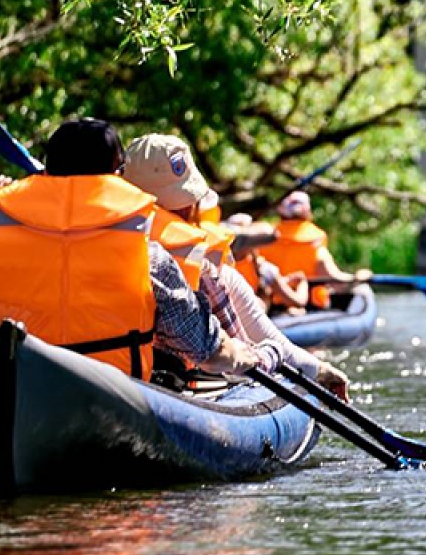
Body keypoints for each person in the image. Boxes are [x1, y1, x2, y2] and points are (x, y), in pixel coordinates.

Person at [0, 118, 261, 379]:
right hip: (116, 391)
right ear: (118, 177)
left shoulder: (0, 239)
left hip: (23, 381)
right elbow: (200, 345)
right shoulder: (146, 253)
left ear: (47, 172)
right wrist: (243, 355)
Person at [121, 134, 351, 401]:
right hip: (181, 386)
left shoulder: (101, 248)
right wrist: (316, 369)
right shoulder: (204, 267)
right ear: (191, 205)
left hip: (109, 380)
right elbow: (245, 354)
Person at [264, 190, 370, 309]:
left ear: (281, 212)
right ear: (308, 212)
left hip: (271, 307)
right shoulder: (314, 242)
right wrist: (358, 277)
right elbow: (338, 284)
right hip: (310, 306)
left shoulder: (263, 239)